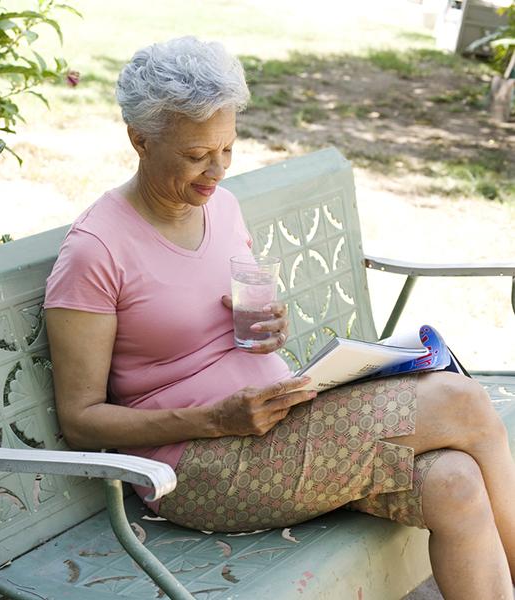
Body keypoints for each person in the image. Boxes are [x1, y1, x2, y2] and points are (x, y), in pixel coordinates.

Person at [43, 36, 515, 600]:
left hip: (281, 427)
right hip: (197, 468)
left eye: (227, 149)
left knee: (456, 485)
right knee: (461, 400)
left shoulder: (220, 205)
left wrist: (269, 329)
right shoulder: (96, 250)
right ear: (139, 139)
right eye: (196, 155)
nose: (215, 171)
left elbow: (229, 321)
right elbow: (81, 419)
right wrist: (215, 419)